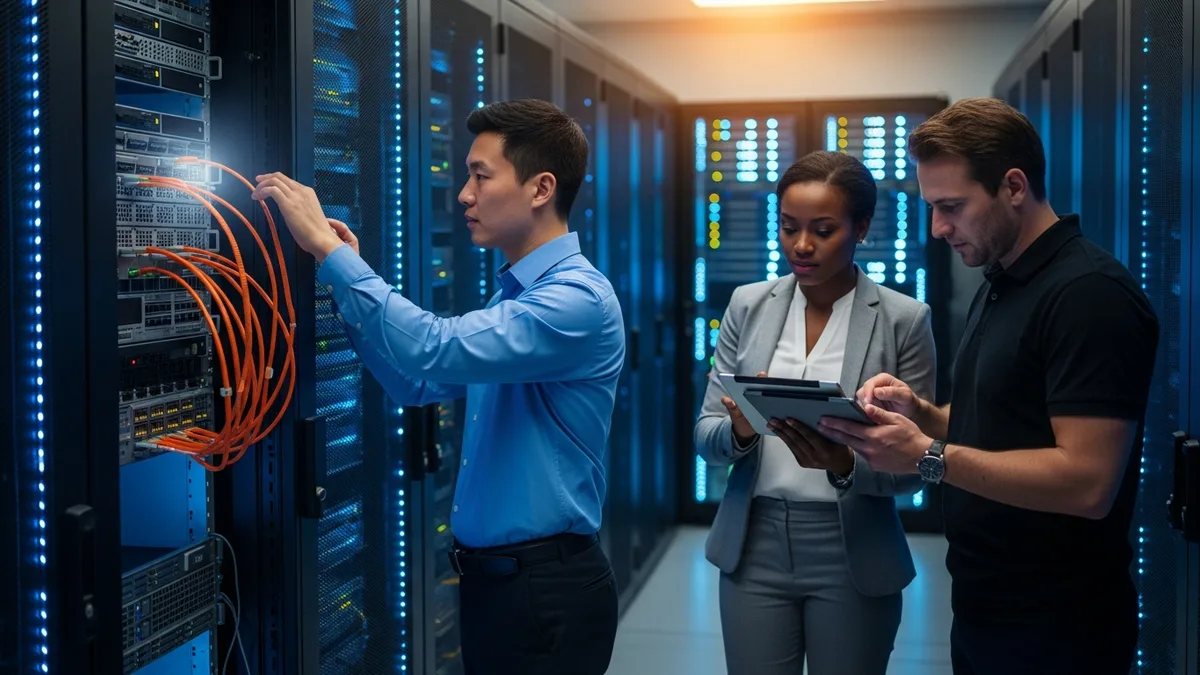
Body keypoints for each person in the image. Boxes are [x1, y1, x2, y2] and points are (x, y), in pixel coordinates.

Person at [252, 99, 625, 675]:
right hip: (499, 587)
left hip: (544, 592)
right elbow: (417, 380)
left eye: (481, 176)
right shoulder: (520, 295)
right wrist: (344, 277)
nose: (464, 196)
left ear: (541, 188)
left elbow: (433, 345)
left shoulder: (575, 300)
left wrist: (329, 252)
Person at [817, 98, 1159, 675]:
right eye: (932, 207)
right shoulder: (1003, 280)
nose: (938, 228)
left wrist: (926, 456)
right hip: (986, 609)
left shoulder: (1088, 296)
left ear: (1014, 187)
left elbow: (1088, 482)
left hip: (1059, 629)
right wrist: (921, 413)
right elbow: (1004, 422)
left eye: (952, 207)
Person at [695, 150, 937, 675]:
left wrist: (844, 464)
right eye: (788, 227)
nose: (801, 245)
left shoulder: (904, 320)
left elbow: (917, 466)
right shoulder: (747, 305)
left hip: (853, 548)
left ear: (862, 228)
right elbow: (705, 436)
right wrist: (740, 430)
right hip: (753, 542)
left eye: (823, 230)